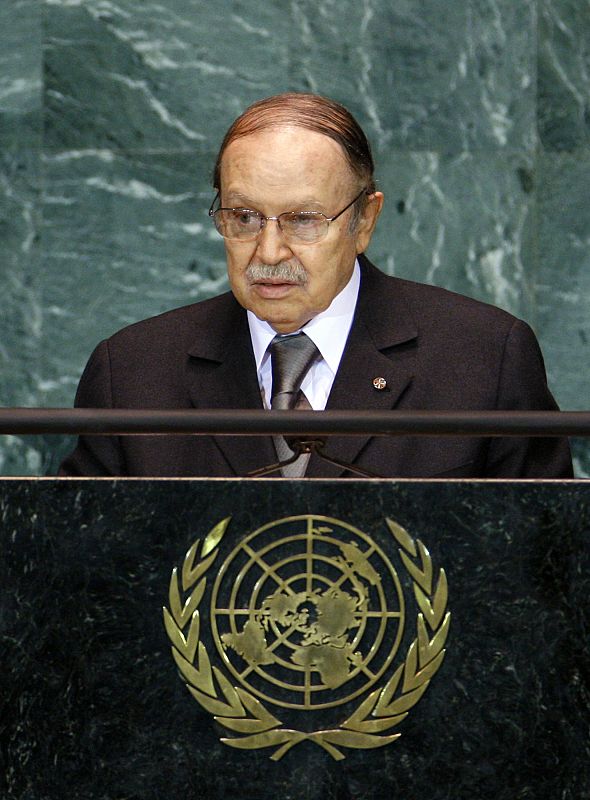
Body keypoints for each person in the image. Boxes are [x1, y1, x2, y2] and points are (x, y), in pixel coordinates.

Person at [59, 92, 572, 478]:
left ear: (364, 221)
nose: (269, 252)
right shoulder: (132, 373)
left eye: (303, 219)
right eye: (244, 217)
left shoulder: (485, 359)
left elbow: (546, 564)